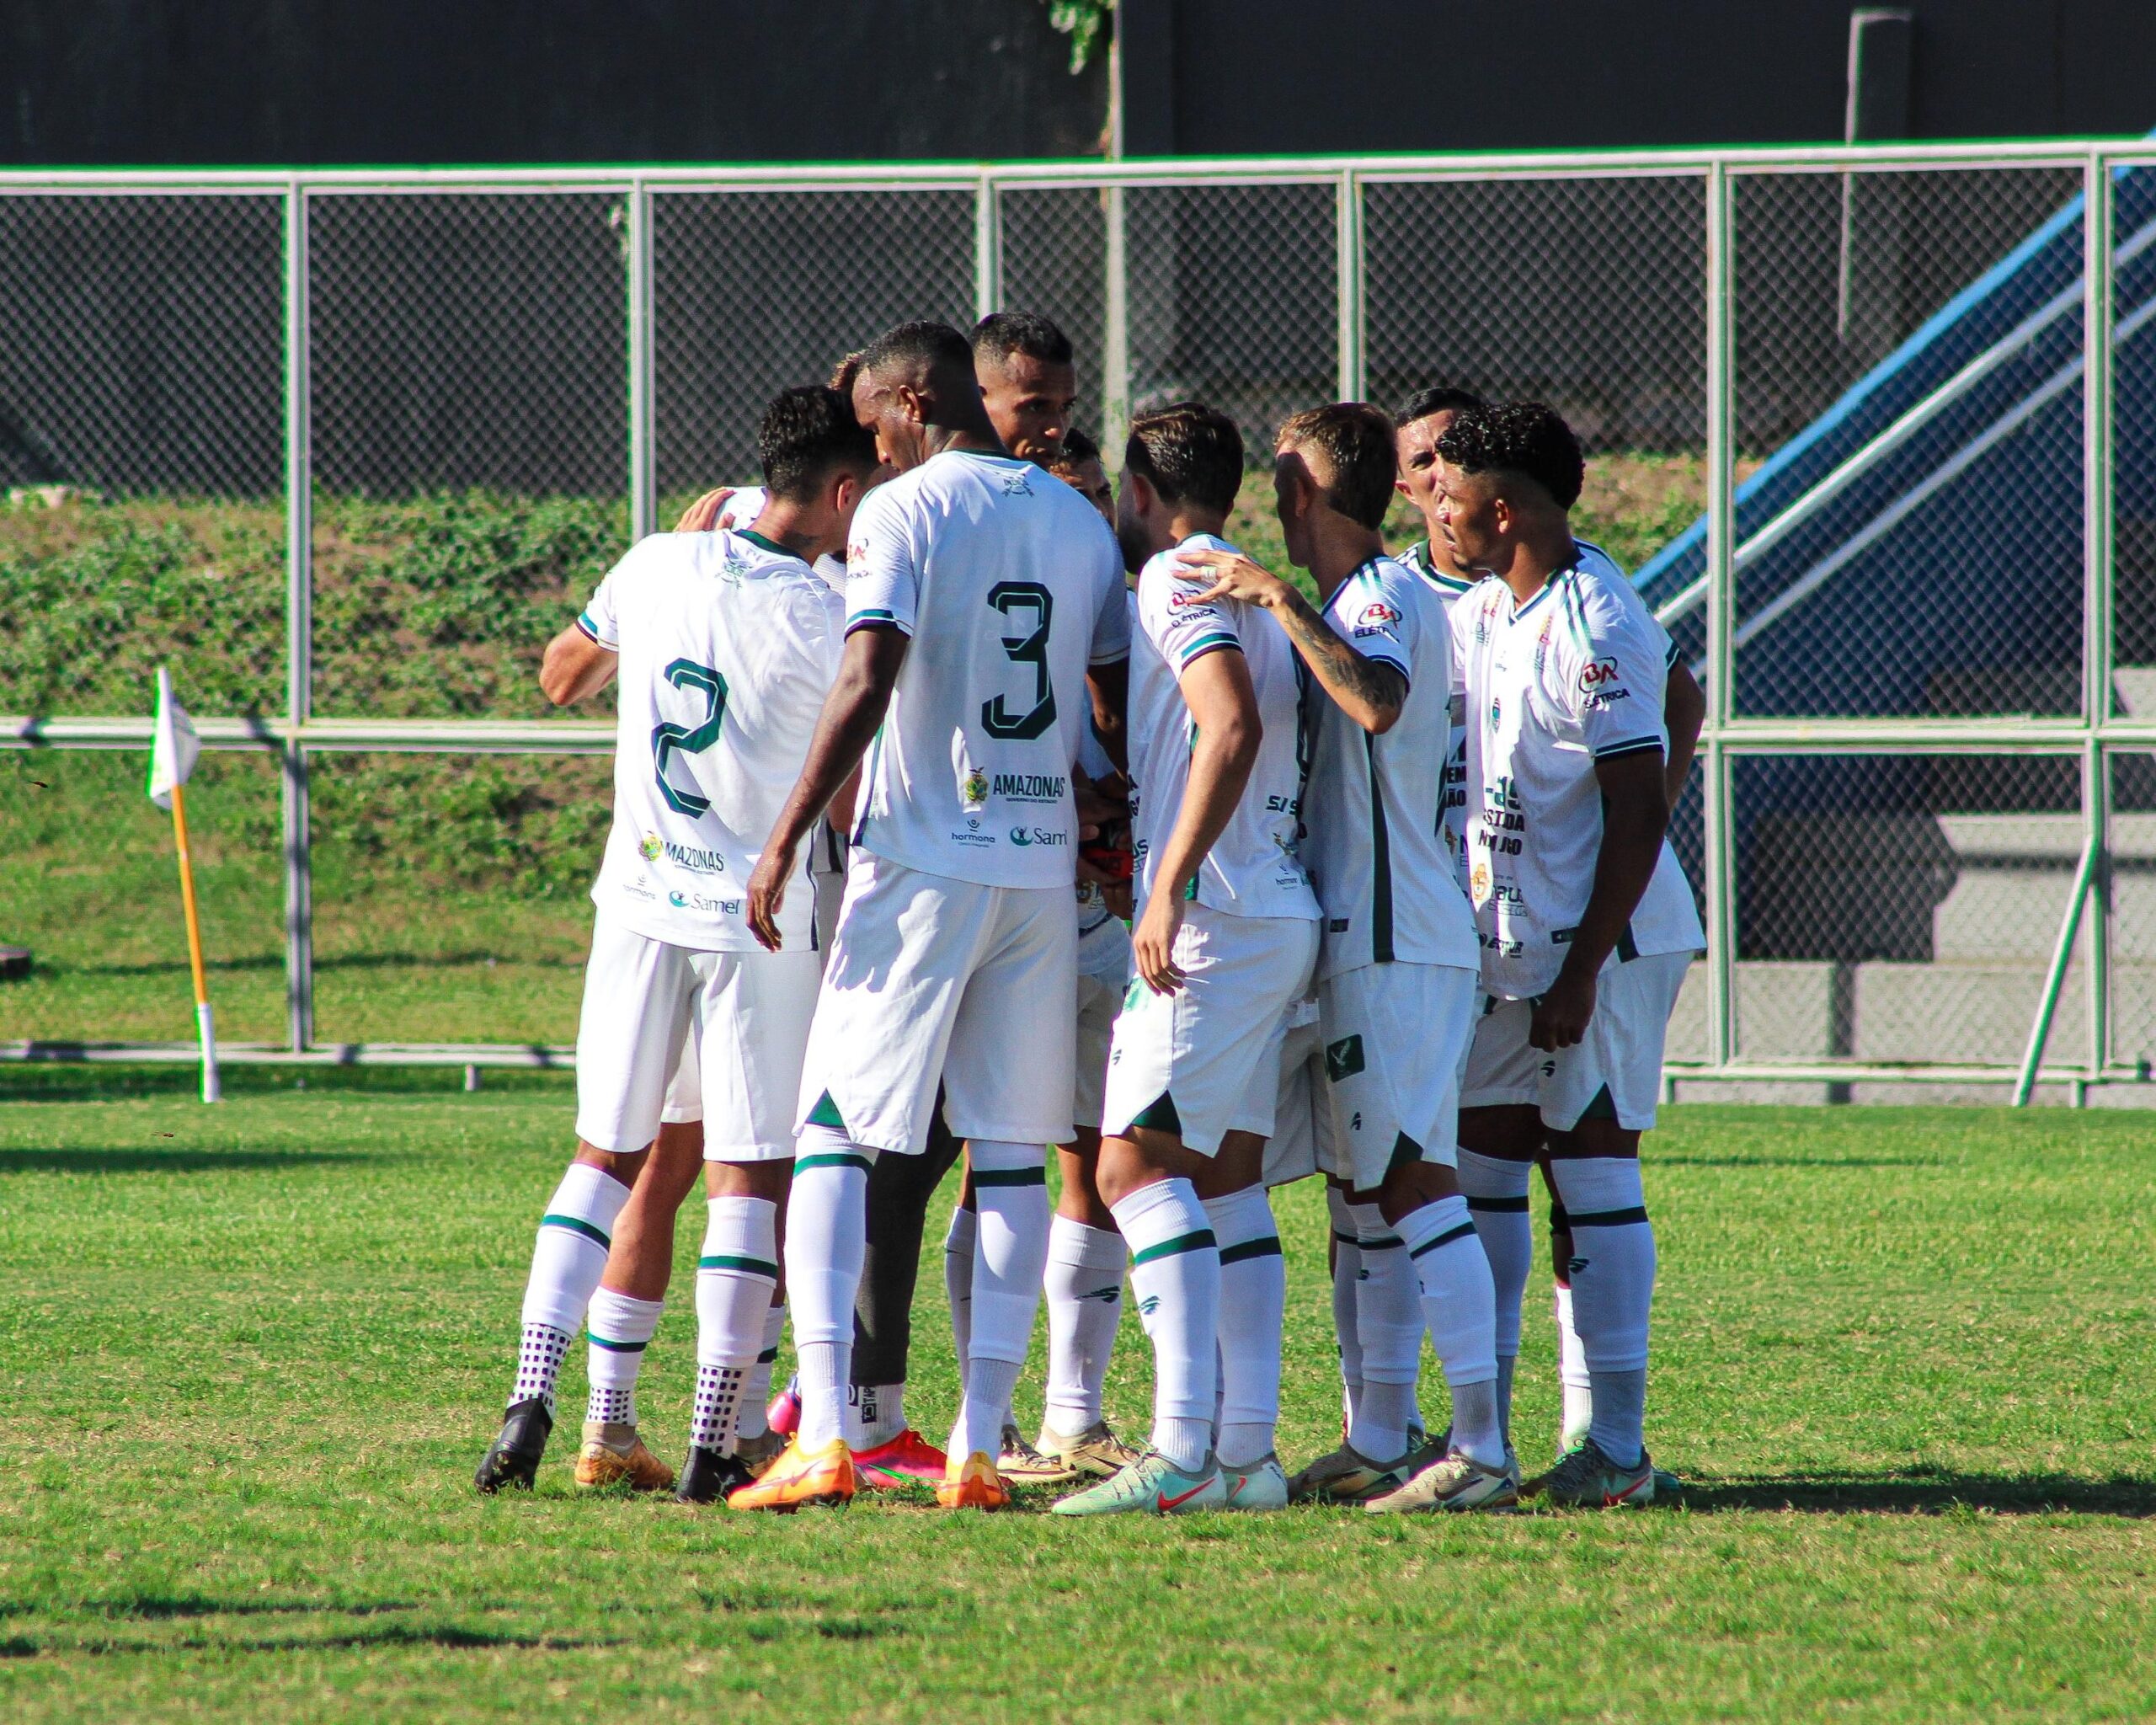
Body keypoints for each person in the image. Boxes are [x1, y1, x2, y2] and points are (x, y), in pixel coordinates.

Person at [728, 320, 1129, 1513]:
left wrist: (791, 827)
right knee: (1010, 1150)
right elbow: (1107, 683)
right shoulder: (1073, 516)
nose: (870, 444)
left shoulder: (904, 511)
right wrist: (1100, 794)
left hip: (921, 856)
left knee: (835, 1136)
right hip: (1036, 865)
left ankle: (828, 1435)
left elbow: (868, 672)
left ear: (907, 402)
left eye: (872, 423)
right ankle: (975, 1446)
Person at [473, 386, 878, 1499]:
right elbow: (845, 801)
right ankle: (712, 1442)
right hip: (759, 920)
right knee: (750, 1177)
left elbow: (562, 672)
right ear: (843, 491)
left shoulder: (658, 560)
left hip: (639, 906)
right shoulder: (831, 614)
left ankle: (531, 1400)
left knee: (603, 1158)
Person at [1182, 402, 1512, 1512]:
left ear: (1312, 491)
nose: (1273, 491)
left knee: (1415, 1181)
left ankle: (1483, 1449)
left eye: (1285, 473)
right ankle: (1377, 1434)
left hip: (1397, 941)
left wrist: (1274, 601)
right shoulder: (1357, 597)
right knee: (1362, 1194)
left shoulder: (1375, 595)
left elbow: (1375, 703)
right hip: (1365, 940)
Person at [1052, 402, 1320, 1518]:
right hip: (1276, 909)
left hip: (1210, 916)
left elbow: (1230, 724)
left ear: (1143, 492)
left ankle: (1179, 1452)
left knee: (1127, 1172)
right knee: (1227, 1181)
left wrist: (1164, 886)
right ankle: (1248, 1456)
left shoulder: (1175, 576)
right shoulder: (1256, 589)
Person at [1438, 402, 1705, 1508]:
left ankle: (1617, 1450)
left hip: (1605, 942)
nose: (1438, 512)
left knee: (1592, 1169)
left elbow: (1637, 807)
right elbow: (1686, 693)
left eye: (1450, 497)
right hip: (1521, 943)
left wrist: (1587, 963)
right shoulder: (1499, 600)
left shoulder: (1592, 621)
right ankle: (1487, 1443)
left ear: (1502, 511)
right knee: (1486, 1166)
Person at [979, 423, 1145, 1485]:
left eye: (1096, 494)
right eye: (1064, 492)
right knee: (989, 1164)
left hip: (1114, 926)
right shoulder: (1006, 608)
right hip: (1019, 920)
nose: (1083, 512)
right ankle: (976, 1417)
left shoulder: (1133, 611)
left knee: (1098, 1163)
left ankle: (1071, 1419)